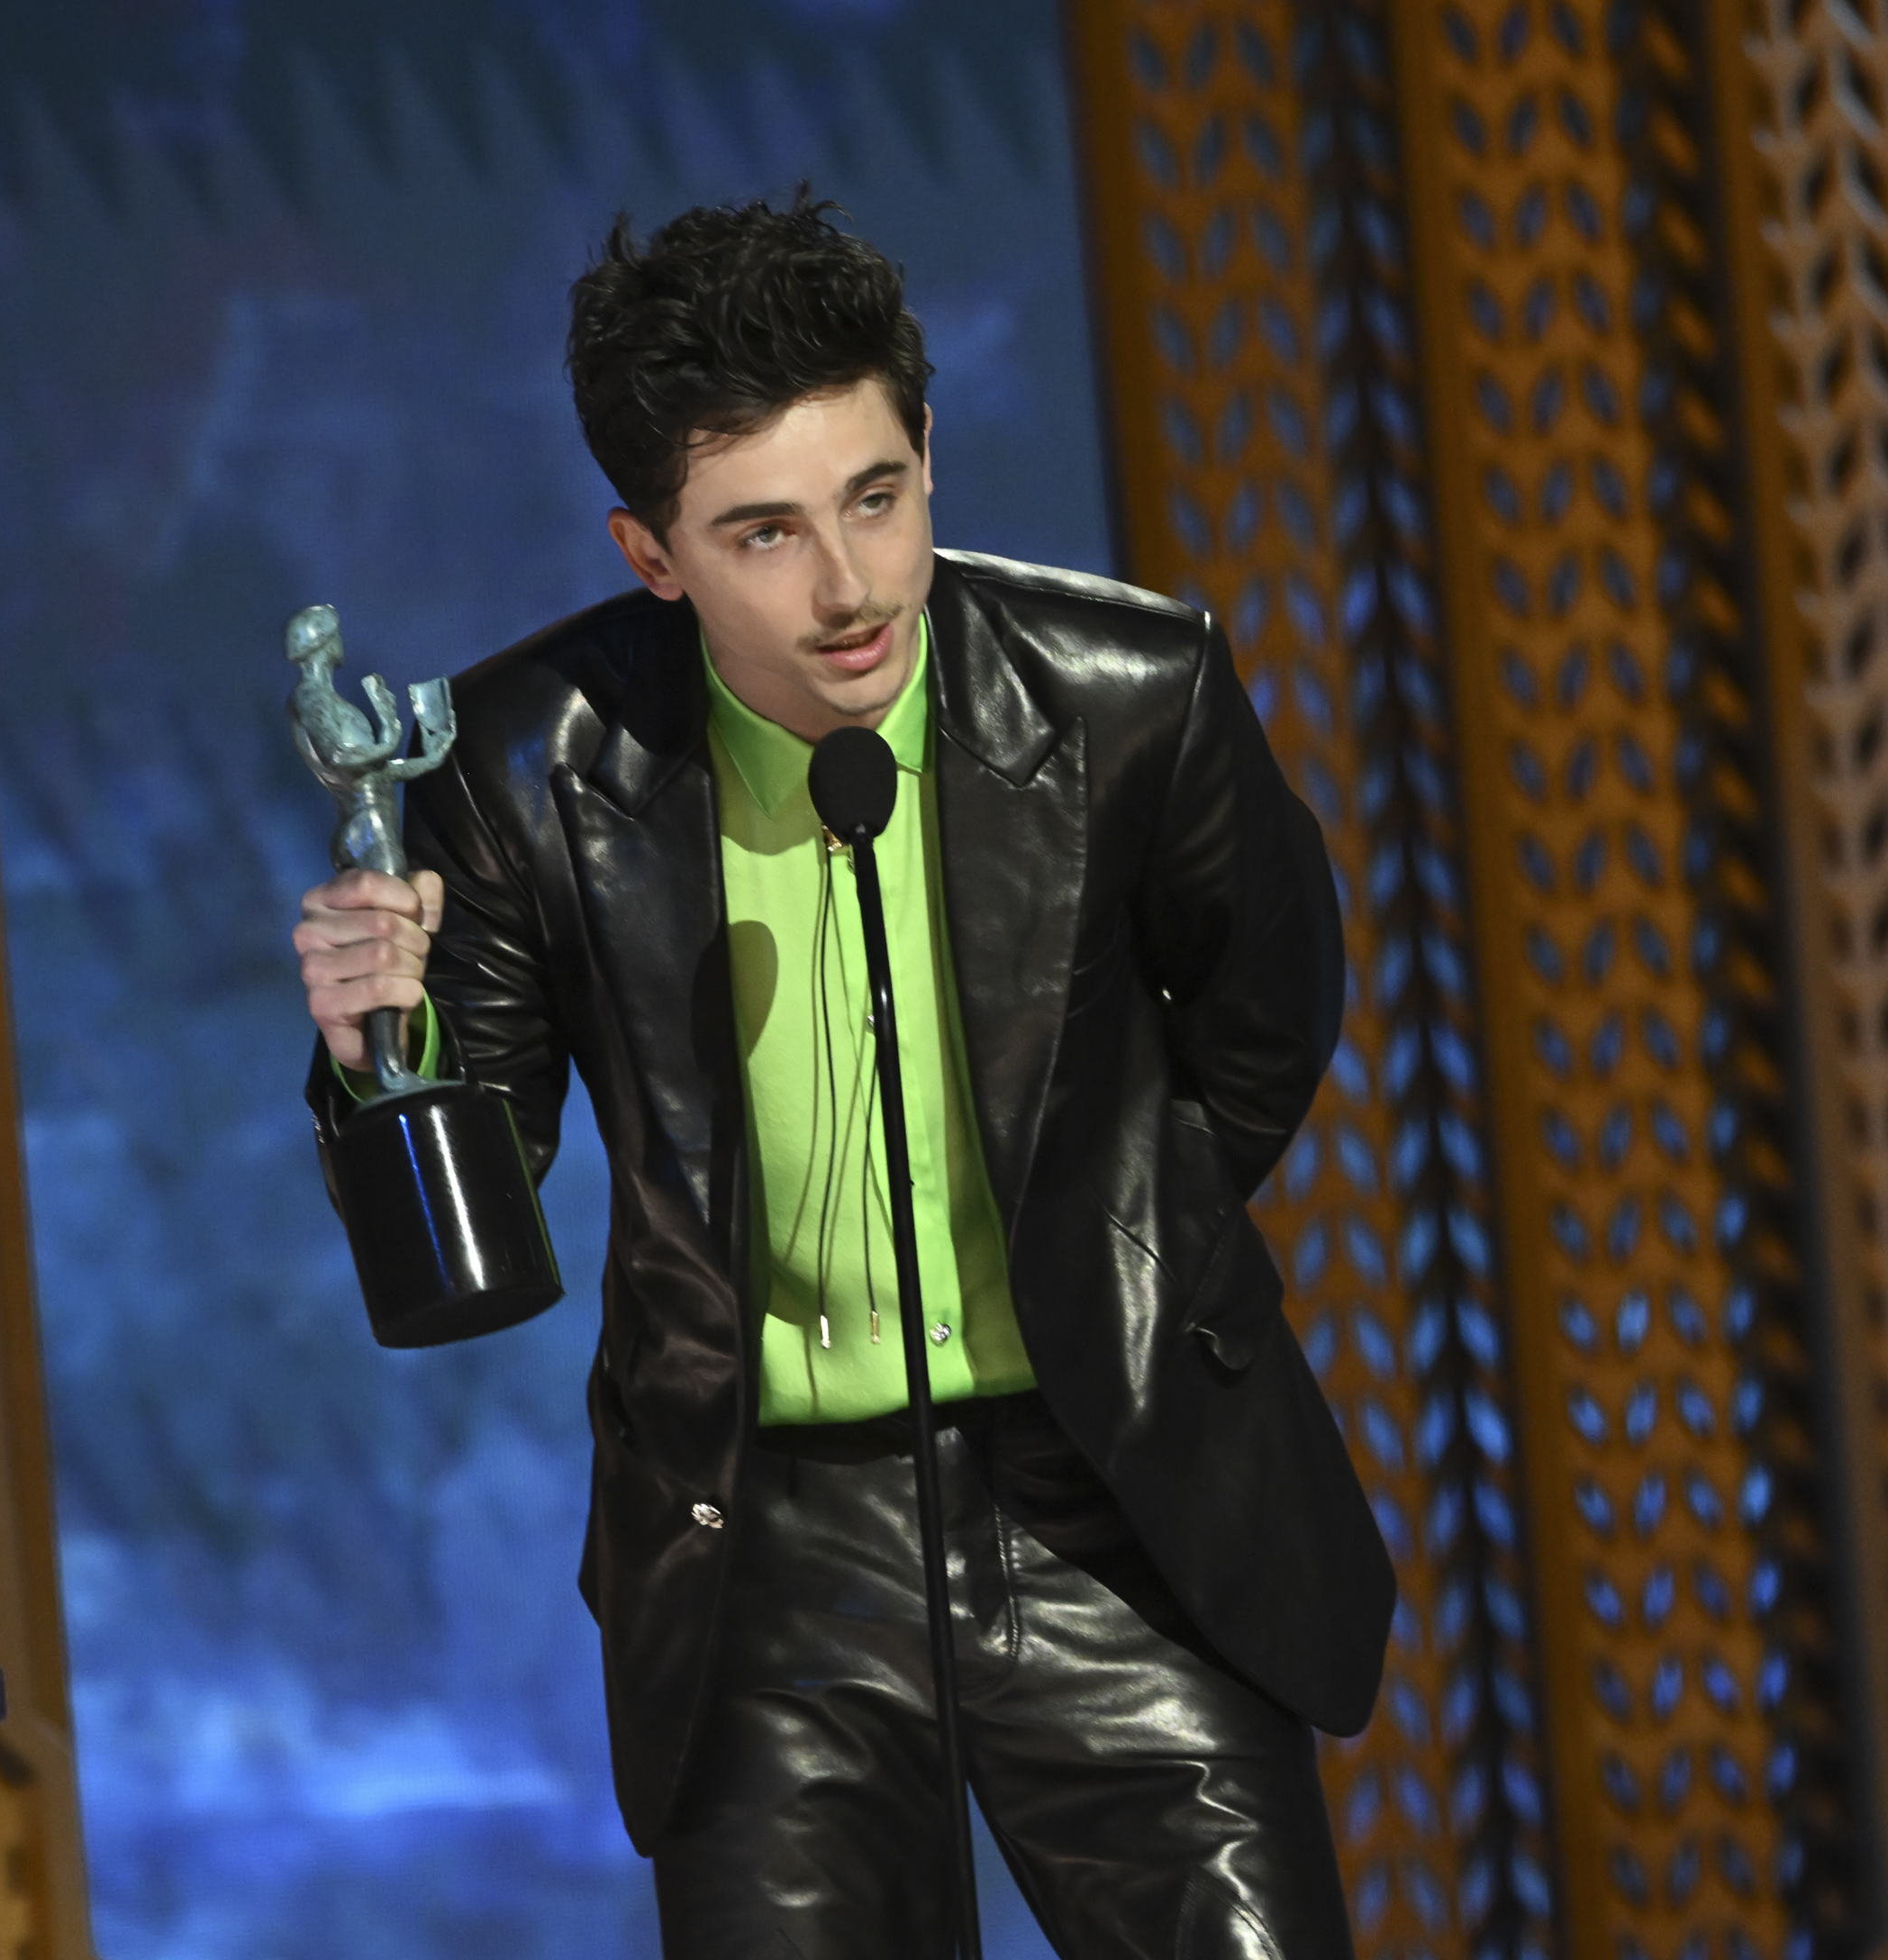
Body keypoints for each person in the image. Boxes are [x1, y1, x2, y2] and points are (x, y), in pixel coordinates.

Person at [291, 193, 1393, 1960]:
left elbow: (1271, 1010)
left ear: (930, 448)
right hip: (766, 1554)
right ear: (653, 552)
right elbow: (464, 1267)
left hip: (1111, 1502)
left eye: (878, 497)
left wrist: (1117, 1229)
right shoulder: (523, 768)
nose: (851, 585)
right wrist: (384, 1060)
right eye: (766, 533)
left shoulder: (1129, 693)